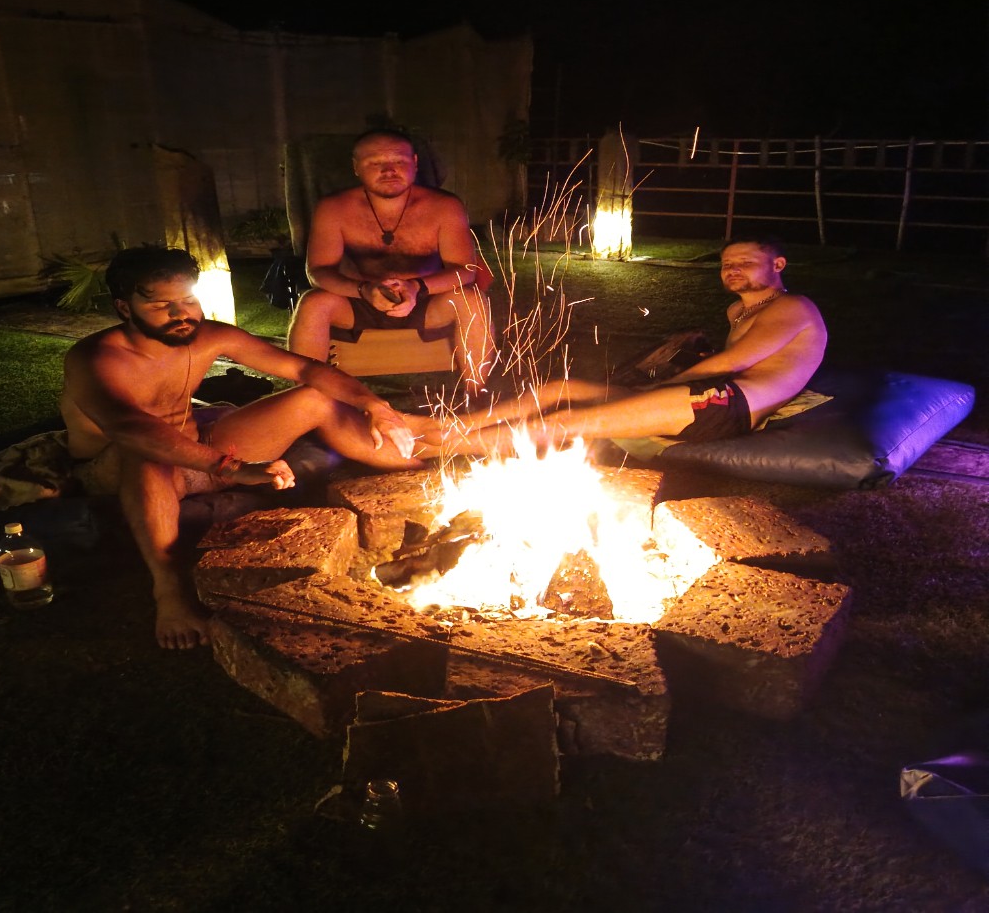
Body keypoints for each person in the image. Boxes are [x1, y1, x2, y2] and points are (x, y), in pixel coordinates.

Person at [61, 246, 426, 650]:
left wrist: (373, 405)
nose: (181, 314)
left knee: (313, 398)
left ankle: (416, 467)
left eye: (188, 300)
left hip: (200, 448)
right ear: (124, 308)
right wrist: (234, 468)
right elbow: (130, 428)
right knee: (146, 452)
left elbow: (304, 368)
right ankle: (169, 591)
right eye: (161, 305)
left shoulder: (208, 335)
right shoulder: (95, 358)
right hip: (119, 466)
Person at [420, 238, 828, 458]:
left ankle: (435, 449)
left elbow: (736, 361)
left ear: (777, 265)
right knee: (560, 388)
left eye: (745, 262)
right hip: (706, 395)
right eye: (726, 264)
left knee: (565, 421)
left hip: (729, 406)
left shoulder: (793, 306)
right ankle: (452, 426)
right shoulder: (737, 310)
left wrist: (660, 387)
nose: (732, 270)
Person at [286, 128, 496, 397]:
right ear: (356, 167)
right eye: (375, 162)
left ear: (415, 163)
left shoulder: (444, 207)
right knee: (313, 303)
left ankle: (476, 397)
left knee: (471, 299)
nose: (388, 170)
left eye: (399, 160)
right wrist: (364, 290)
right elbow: (318, 271)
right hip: (357, 301)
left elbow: (465, 270)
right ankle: (305, 400)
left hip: (425, 301)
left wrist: (416, 287)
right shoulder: (335, 208)